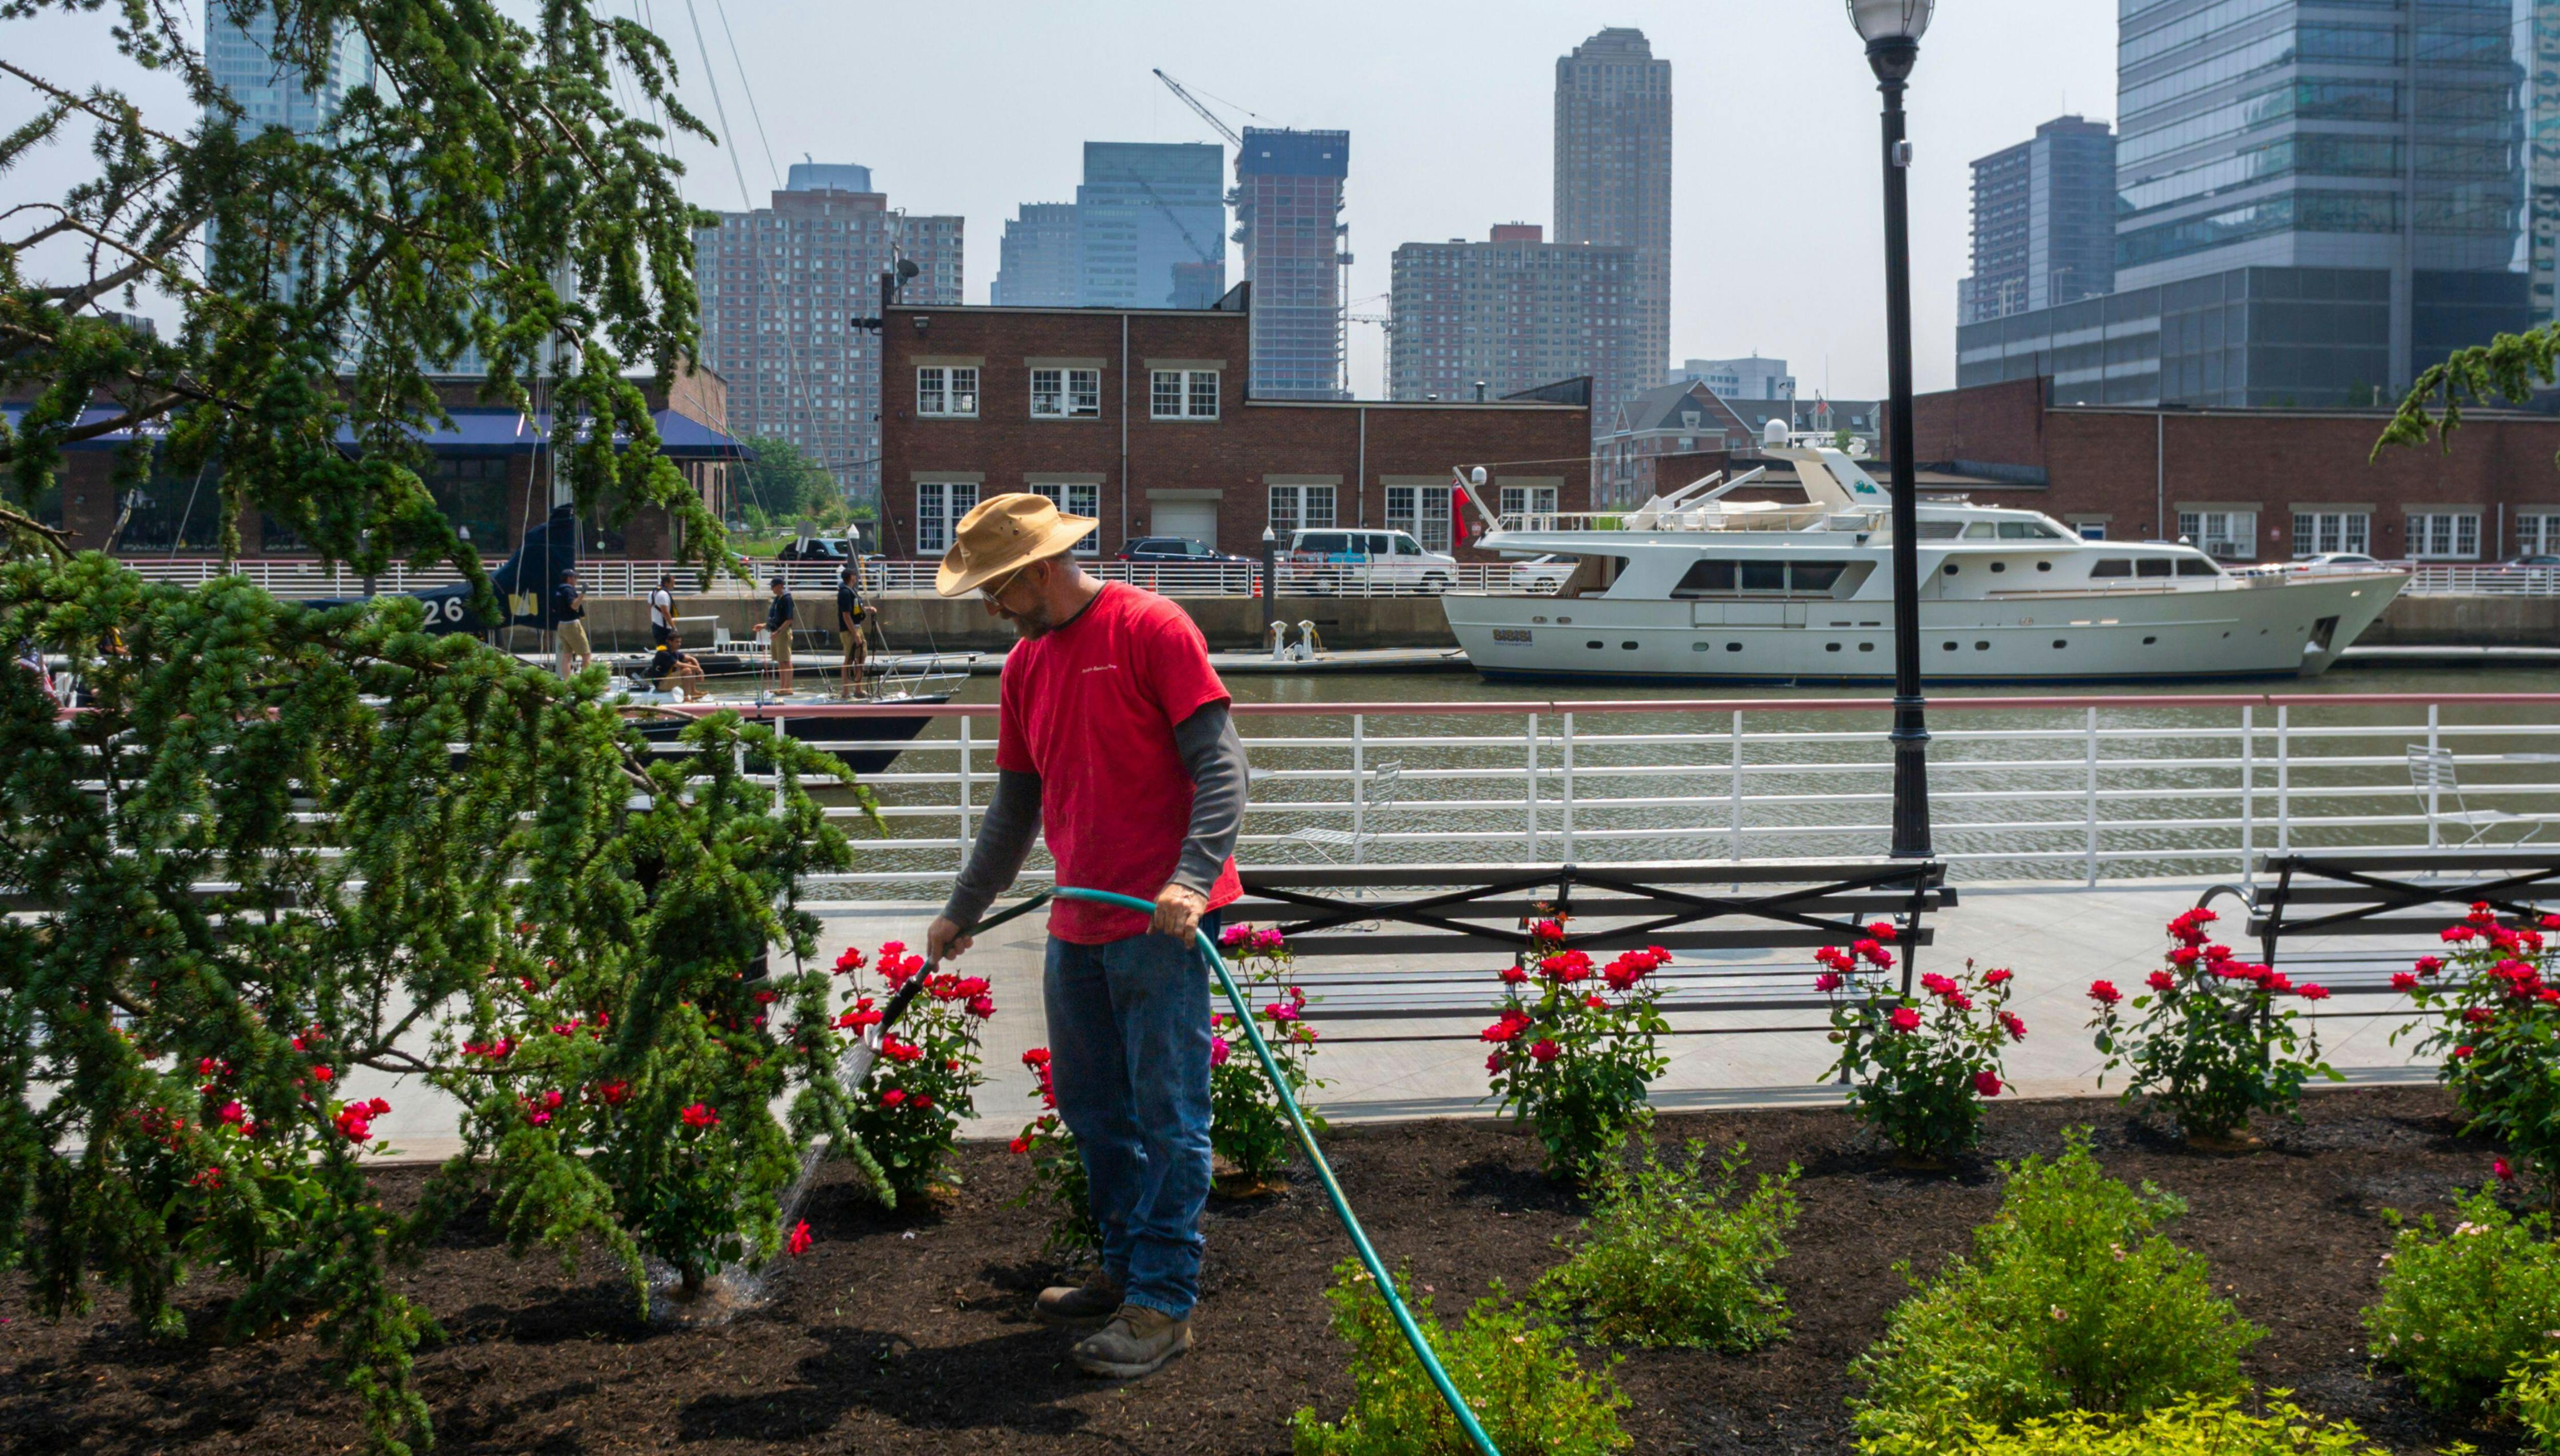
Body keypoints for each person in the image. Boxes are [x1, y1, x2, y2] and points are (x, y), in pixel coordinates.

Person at [925, 493, 1247, 1382]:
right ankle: (1123, 1267)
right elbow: (1017, 804)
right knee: (1094, 1110)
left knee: (1171, 1114)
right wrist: (964, 906)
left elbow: (1223, 769)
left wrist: (1189, 878)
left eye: (997, 588)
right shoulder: (1026, 667)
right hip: (1078, 916)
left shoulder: (1152, 627)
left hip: (1159, 922)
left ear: (1036, 570)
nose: (993, 608)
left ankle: (1164, 1303)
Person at [836, 562, 869, 694]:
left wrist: (868, 610)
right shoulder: (845, 593)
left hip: (857, 628)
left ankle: (858, 689)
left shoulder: (852, 592)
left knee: (861, 658)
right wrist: (855, 635)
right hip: (850, 631)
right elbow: (846, 615)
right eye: (855, 576)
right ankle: (846, 692)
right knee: (849, 659)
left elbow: (855, 610)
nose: (856, 578)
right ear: (851, 577)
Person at [644, 630, 706, 700]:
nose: (679, 644)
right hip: (661, 684)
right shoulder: (664, 653)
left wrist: (700, 670)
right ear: (670, 642)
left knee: (690, 665)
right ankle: (686, 699)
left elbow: (692, 658)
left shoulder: (674, 652)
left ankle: (694, 693)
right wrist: (698, 669)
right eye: (677, 642)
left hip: (668, 679)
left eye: (680, 642)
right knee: (687, 670)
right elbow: (679, 665)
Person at [551, 569, 590, 677]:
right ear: (569, 579)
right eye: (575, 578)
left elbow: (554, 608)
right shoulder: (568, 590)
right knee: (586, 654)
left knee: (567, 656)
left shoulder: (558, 591)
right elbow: (574, 606)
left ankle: (568, 683)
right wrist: (583, 593)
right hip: (572, 625)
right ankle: (587, 682)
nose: (576, 580)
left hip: (562, 625)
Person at [765, 573, 796, 695]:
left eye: (773, 587)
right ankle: (782, 687)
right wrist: (764, 626)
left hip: (782, 633)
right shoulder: (778, 599)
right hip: (776, 633)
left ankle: (788, 688)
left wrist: (778, 632)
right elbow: (776, 618)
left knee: (786, 660)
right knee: (780, 661)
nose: (772, 589)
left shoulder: (787, 599)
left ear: (780, 586)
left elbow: (789, 620)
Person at [648, 572, 676, 647]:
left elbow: (650, 609)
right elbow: (666, 612)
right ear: (667, 583)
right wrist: (674, 628)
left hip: (656, 625)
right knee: (666, 650)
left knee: (661, 649)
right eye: (672, 583)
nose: (674, 585)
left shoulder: (652, 593)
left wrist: (652, 622)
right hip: (663, 628)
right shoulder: (663, 594)